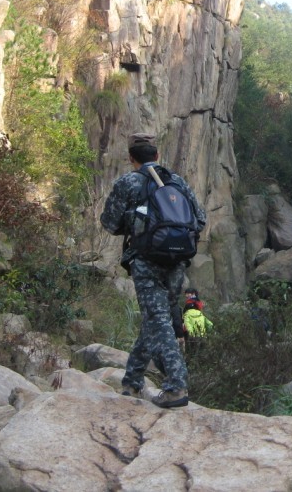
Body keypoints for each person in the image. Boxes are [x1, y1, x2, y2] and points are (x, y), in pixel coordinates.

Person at [100, 132, 206, 408]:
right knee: (155, 318)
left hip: (146, 261)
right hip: (177, 261)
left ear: (131, 158)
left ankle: (176, 386)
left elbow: (110, 223)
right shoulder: (177, 182)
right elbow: (200, 219)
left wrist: (135, 223)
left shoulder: (128, 182)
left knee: (158, 319)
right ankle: (132, 383)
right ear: (157, 155)